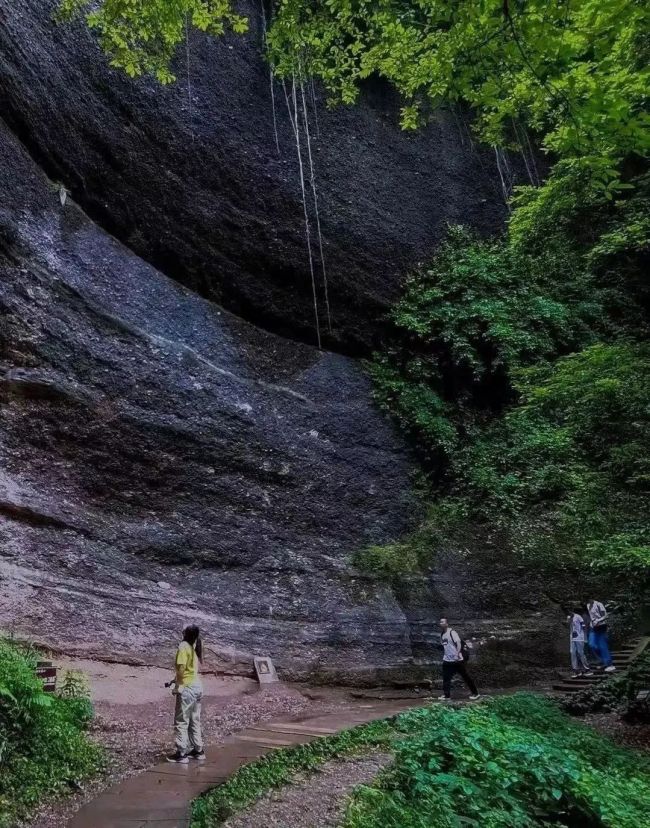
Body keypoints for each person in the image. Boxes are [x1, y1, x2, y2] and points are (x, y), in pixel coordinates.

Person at [167, 624, 205, 763]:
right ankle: (198, 750)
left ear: (184, 633)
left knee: (181, 720)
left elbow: (182, 669)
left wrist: (178, 685)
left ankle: (181, 753)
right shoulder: (194, 646)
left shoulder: (183, 646)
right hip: (197, 686)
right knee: (194, 719)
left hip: (187, 687)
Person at [438, 618, 480, 701]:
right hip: (447, 660)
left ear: (447, 624)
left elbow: (458, 643)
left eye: (442, 622)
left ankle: (476, 693)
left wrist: (457, 654)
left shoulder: (452, 633)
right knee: (446, 678)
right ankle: (447, 696)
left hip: (456, 660)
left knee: (465, 676)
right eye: (440, 622)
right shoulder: (442, 634)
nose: (440, 623)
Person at [587, 598, 615, 673]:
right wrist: (591, 623)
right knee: (592, 644)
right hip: (593, 627)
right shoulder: (588, 605)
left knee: (602, 645)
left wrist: (598, 620)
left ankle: (610, 665)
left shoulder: (599, 604)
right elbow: (591, 617)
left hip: (601, 627)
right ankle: (603, 661)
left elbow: (606, 616)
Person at [568, 607, 593, 678]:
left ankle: (587, 669)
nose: (568, 612)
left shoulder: (578, 616)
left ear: (572, 610)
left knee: (580, 653)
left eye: (569, 610)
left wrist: (585, 637)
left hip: (579, 638)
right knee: (572, 653)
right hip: (572, 638)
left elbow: (584, 627)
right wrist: (570, 618)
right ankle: (576, 671)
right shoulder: (569, 617)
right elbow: (569, 624)